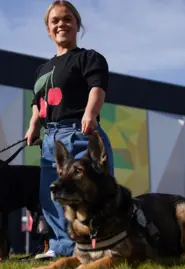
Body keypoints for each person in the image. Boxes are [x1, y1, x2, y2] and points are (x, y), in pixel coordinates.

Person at [24, 0, 115, 260]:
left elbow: (97, 88)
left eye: (67, 19)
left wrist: (91, 113)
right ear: (48, 29)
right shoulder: (42, 69)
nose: (61, 24)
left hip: (78, 133)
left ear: (77, 25)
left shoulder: (88, 58)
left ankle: (101, 244)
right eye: (55, 21)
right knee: (50, 194)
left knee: (91, 191)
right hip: (50, 138)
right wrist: (33, 126)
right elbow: (37, 102)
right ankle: (63, 248)